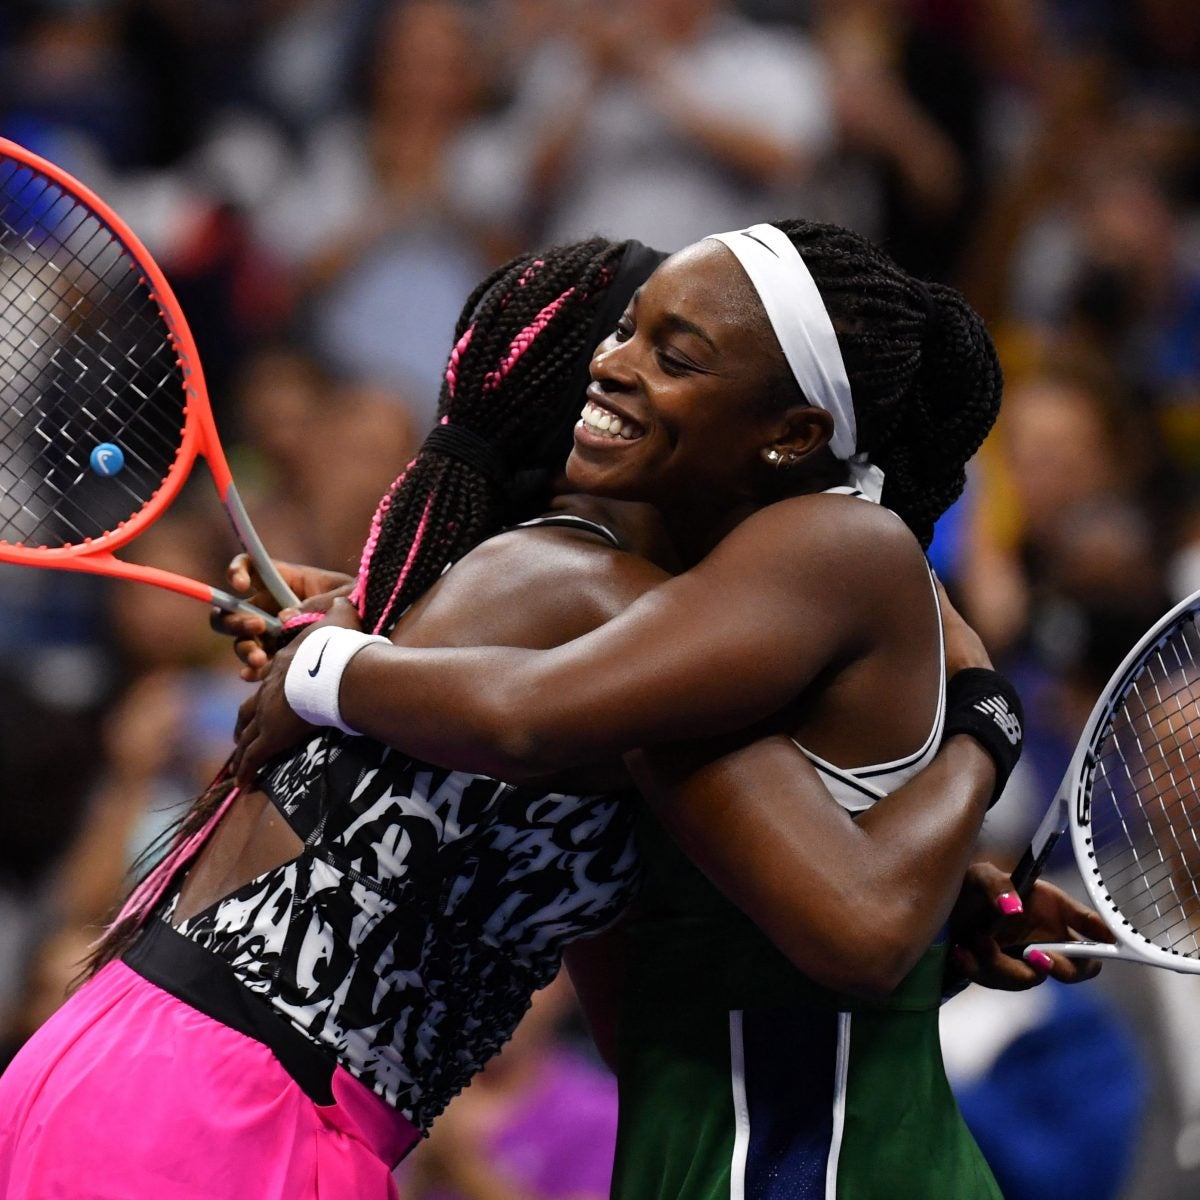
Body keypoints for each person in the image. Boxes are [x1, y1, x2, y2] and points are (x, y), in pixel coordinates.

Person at [0, 229, 1100, 1200]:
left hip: (180, 1082)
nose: (620, 370)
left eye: (674, 353)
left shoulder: (538, 608)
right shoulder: (585, 604)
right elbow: (849, 918)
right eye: (627, 336)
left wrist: (939, 910)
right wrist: (984, 728)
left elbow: (658, 992)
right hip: (223, 1107)